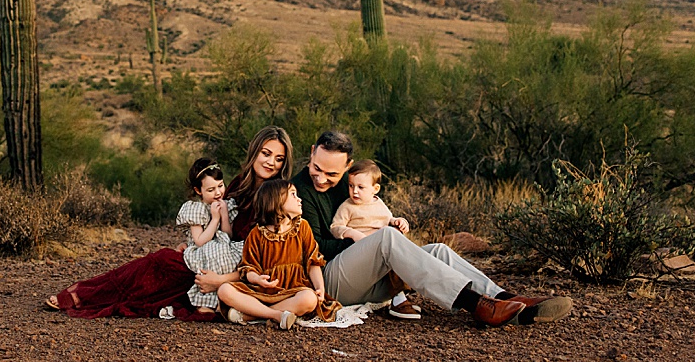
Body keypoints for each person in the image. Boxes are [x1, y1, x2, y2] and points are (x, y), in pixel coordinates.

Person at [294, 131, 573, 327]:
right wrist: (367, 243)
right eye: (317, 168)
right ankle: (476, 304)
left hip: (366, 278)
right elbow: (312, 247)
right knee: (386, 240)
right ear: (311, 153)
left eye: (332, 174)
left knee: (438, 249)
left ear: (348, 166)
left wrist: (384, 235)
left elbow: (374, 214)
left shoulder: (352, 182)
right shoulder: (299, 191)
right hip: (328, 280)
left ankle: (506, 300)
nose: (321, 178)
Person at [46, 126, 294, 320]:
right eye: (266, 153)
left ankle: (84, 297)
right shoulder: (240, 183)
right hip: (209, 257)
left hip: (231, 274)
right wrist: (196, 245)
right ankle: (82, 294)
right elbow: (214, 221)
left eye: (279, 158)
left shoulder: (279, 198)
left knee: (155, 274)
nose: (271, 162)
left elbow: (265, 258)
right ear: (255, 153)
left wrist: (219, 281)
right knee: (156, 262)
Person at [217, 179, 340, 329]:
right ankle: (275, 315)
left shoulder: (303, 227)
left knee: (309, 299)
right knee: (224, 290)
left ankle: (250, 315)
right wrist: (257, 279)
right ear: (276, 200)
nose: (299, 199)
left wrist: (320, 287)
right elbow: (248, 268)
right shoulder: (257, 233)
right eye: (293, 195)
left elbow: (313, 262)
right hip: (263, 291)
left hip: (293, 289)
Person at [330, 159, 417, 320]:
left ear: (375, 189)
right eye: (351, 186)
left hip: (382, 251)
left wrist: (398, 221)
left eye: (361, 187)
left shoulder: (379, 204)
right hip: (361, 252)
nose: (354, 191)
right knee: (389, 242)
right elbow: (335, 227)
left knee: (395, 241)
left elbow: (388, 219)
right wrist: (352, 233)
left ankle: (402, 294)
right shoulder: (347, 206)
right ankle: (399, 298)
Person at [176, 157, 238, 313]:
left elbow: (228, 235)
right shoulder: (196, 208)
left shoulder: (227, 204)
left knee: (229, 258)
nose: (218, 193)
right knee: (212, 257)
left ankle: (224, 301)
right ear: (199, 191)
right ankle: (205, 303)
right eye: (211, 190)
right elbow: (200, 241)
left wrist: (223, 216)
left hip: (223, 246)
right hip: (203, 248)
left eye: (220, 186)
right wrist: (214, 218)